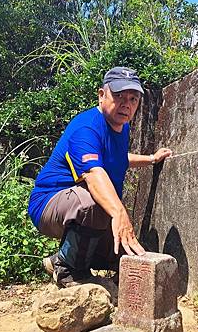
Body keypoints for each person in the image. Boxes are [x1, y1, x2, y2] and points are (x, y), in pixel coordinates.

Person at [28, 66, 172, 288]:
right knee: (93, 204)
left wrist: (151, 158)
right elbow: (94, 175)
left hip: (85, 209)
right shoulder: (86, 127)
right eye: (119, 96)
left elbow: (118, 157)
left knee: (126, 252)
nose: (126, 104)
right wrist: (120, 214)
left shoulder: (122, 128)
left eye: (133, 99)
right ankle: (70, 273)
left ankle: (60, 259)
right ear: (101, 94)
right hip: (49, 204)